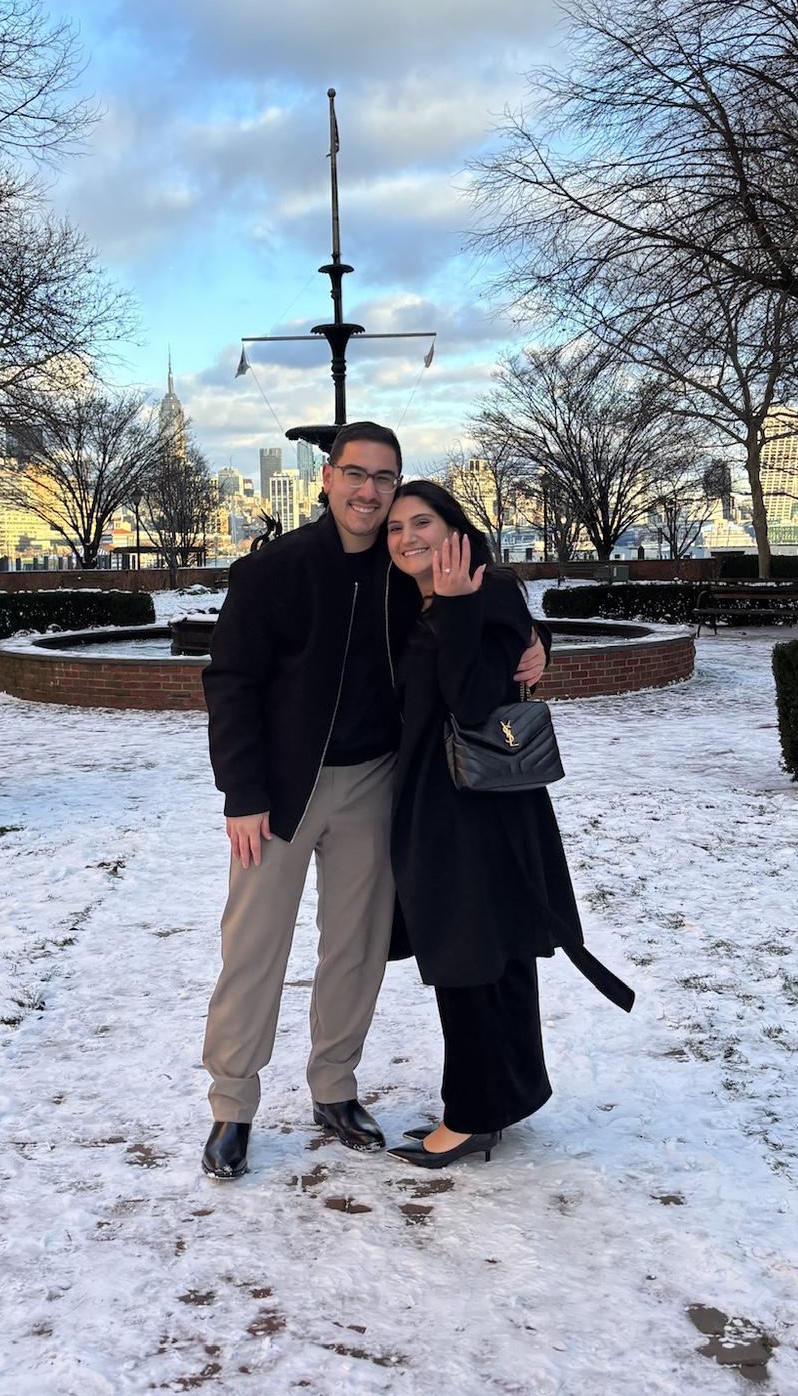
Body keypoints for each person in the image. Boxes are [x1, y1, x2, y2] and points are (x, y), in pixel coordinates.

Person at [199, 425, 546, 1179]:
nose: (368, 491)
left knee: (354, 949)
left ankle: (335, 1088)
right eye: (354, 474)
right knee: (253, 948)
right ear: (325, 478)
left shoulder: (406, 565)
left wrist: (532, 638)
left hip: (377, 784)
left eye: (384, 478)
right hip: (282, 794)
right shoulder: (274, 571)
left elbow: (483, 594)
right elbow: (229, 683)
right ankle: (233, 1105)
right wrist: (243, 791)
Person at [380, 480, 633, 1170]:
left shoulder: (479, 591)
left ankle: (472, 1116)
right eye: (396, 528)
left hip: (473, 808)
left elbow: (471, 697)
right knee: (489, 955)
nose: (408, 538)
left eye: (422, 522)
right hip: (442, 802)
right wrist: (530, 636)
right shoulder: (417, 597)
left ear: (456, 528)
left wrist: (468, 609)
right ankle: (509, 1093)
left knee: (468, 956)